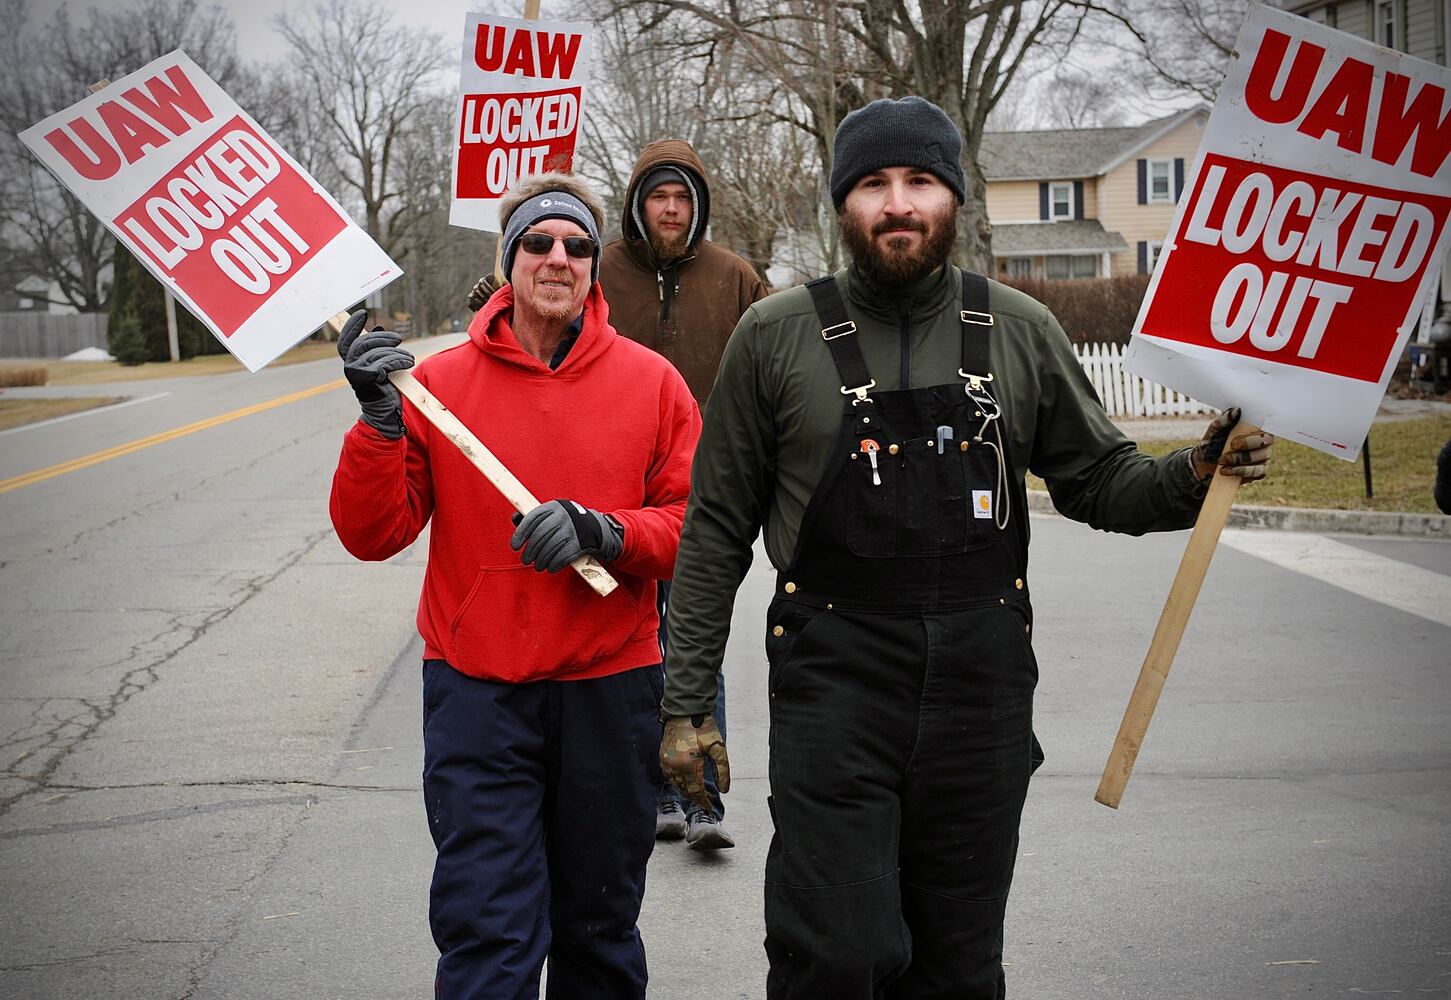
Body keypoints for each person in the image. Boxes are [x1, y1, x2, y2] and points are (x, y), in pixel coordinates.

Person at [656, 96, 1275, 999]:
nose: (897, 203)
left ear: (953, 198)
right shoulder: (774, 336)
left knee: (957, 966)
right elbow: (712, 529)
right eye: (873, 183)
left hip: (980, 690)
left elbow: (1099, 481)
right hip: (833, 682)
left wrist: (1191, 473)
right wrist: (685, 706)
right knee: (835, 951)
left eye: (919, 181)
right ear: (842, 205)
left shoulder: (1017, 328)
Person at [331, 172, 701, 1000]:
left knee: (599, 929)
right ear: (509, 260)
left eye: (576, 244)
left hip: (611, 690)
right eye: (537, 242)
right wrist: (379, 425)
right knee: (487, 931)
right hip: (477, 695)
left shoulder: (651, 384)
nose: (557, 257)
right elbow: (371, 533)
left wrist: (607, 530)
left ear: (595, 266)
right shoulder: (438, 386)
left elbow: (696, 531)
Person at [598, 138, 769, 850]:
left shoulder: (733, 278)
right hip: (611, 500)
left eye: (681, 199)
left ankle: (701, 804)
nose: (669, 209)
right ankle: (650, 795)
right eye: (657, 197)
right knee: (626, 649)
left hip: (705, 498)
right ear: (638, 206)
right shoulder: (597, 268)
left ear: (696, 208)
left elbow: (778, 360)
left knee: (691, 644)